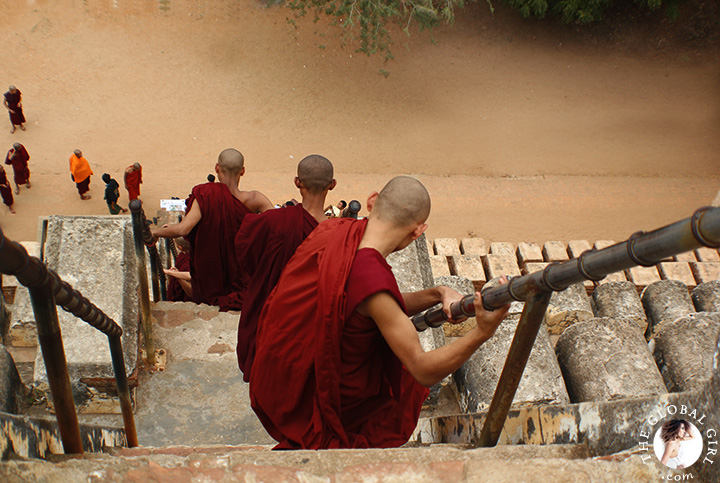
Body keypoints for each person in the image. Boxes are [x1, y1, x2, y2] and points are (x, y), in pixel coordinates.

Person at [249, 176, 510, 449]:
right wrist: (483, 331)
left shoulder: (332, 230)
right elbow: (422, 368)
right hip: (338, 401)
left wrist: (438, 292)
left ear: (372, 201)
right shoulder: (372, 281)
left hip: (287, 374)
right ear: (417, 232)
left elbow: (368, 302)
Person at [235, 154, 337, 382]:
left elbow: (245, 253)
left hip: (270, 317)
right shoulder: (338, 236)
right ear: (332, 185)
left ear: (297, 182)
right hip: (309, 329)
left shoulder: (274, 221)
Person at [151, 148, 274, 309]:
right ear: (242, 171)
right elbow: (279, 227)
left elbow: (183, 229)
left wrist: (155, 232)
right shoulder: (255, 199)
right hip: (245, 277)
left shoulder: (207, 195)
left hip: (212, 279)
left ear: (217, 168)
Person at [165, 237, 192, 302]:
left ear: (180, 247)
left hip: (186, 299)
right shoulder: (184, 256)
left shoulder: (188, 263)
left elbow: (191, 292)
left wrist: (177, 275)